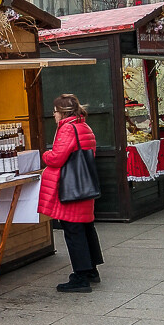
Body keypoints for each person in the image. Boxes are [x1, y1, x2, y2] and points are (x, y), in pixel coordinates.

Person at [38, 94, 103, 293]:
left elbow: (57, 158)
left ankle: (81, 276)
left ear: (63, 112)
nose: (54, 115)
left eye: (55, 111)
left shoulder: (67, 128)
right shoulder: (84, 126)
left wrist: (45, 154)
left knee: (73, 231)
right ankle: (92, 270)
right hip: (84, 186)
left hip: (70, 189)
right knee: (85, 228)